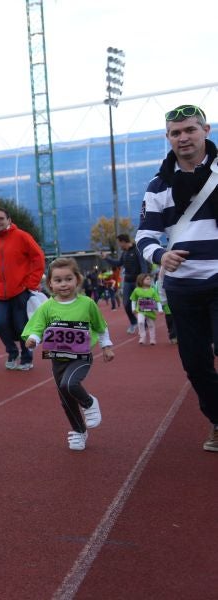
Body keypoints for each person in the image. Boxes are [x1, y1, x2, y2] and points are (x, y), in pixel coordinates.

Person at [135, 104, 218, 452]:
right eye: (176, 132)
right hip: (183, 286)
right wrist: (160, 255)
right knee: (195, 363)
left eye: (190, 130)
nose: (183, 137)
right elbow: (144, 235)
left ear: (206, 130)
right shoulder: (158, 186)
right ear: (168, 138)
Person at [22, 258, 113, 451]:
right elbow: (37, 327)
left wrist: (106, 346)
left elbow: (100, 325)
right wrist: (33, 340)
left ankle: (89, 402)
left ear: (77, 280)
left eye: (68, 279)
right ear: (50, 284)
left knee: (69, 384)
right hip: (58, 359)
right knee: (65, 397)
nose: (64, 284)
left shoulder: (87, 303)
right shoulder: (47, 307)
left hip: (81, 358)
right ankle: (79, 432)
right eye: (58, 280)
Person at [0, 207, 45, 371]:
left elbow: (38, 257)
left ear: (9, 220)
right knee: (0, 324)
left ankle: (26, 358)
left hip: (20, 291)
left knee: (22, 327)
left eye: (1, 218)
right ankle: (12, 352)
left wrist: (30, 283)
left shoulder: (22, 237)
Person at [102, 234, 148, 333]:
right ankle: (133, 322)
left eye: (119, 243)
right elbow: (118, 263)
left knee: (142, 303)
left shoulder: (137, 250)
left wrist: (144, 279)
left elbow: (143, 265)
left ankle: (144, 322)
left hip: (138, 282)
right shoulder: (124, 253)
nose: (119, 245)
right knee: (126, 303)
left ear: (123, 241)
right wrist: (107, 258)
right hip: (127, 281)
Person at [130, 272, 161, 345]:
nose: (149, 280)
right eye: (147, 279)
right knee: (140, 322)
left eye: (150, 279)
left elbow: (158, 300)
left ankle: (152, 339)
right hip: (140, 310)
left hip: (150, 311)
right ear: (141, 280)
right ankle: (142, 337)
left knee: (151, 325)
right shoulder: (136, 290)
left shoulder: (153, 290)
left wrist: (160, 309)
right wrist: (133, 308)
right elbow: (133, 300)